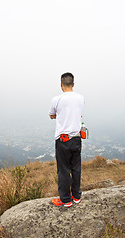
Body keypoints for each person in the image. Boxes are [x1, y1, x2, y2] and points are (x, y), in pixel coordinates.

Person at [49, 72, 85, 207]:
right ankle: (76, 196)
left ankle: (65, 200)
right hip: (77, 138)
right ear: (73, 84)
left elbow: (51, 115)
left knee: (63, 169)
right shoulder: (81, 98)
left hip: (62, 139)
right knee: (76, 168)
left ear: (61, 85)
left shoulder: (56, 99)